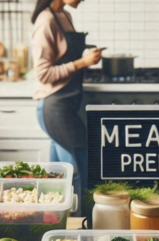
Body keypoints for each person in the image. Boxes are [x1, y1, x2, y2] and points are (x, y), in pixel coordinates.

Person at [32, 0, 102, 201]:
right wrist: (82, 62)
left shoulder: (64, 16)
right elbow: (43, 74)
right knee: (75, 171)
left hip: (67, 104)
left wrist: (86, 60)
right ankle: (77, 224)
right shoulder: (45, 22)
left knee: (58, 175)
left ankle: (58, 223)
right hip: (54, 107)